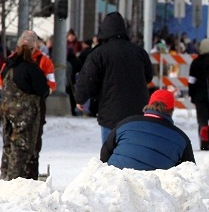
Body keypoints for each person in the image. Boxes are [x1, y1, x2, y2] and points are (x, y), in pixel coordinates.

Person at [75, 11, 154, 143]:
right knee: (135, 151)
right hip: (138, 112)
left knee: (110, 155)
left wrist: (80, 99)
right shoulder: (139, 51)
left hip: (110, 113)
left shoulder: (99, 54)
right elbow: (149, 76)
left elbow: (87, 79)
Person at [0, 30, 55, 181]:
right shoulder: (37, 65)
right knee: (26, 142)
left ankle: (6, 175)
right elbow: (48, 86)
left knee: (8, 140)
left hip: (6, 106)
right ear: (35, 46)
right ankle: (21, 176)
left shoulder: (9, 62)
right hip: (28, 109)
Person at [100, 88, 196, 170]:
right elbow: (190, 171)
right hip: (154, 189)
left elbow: (105, 153)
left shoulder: (126, 123)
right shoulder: (181, 139)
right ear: (171, 111)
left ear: (149, 105)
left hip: (116, 179)